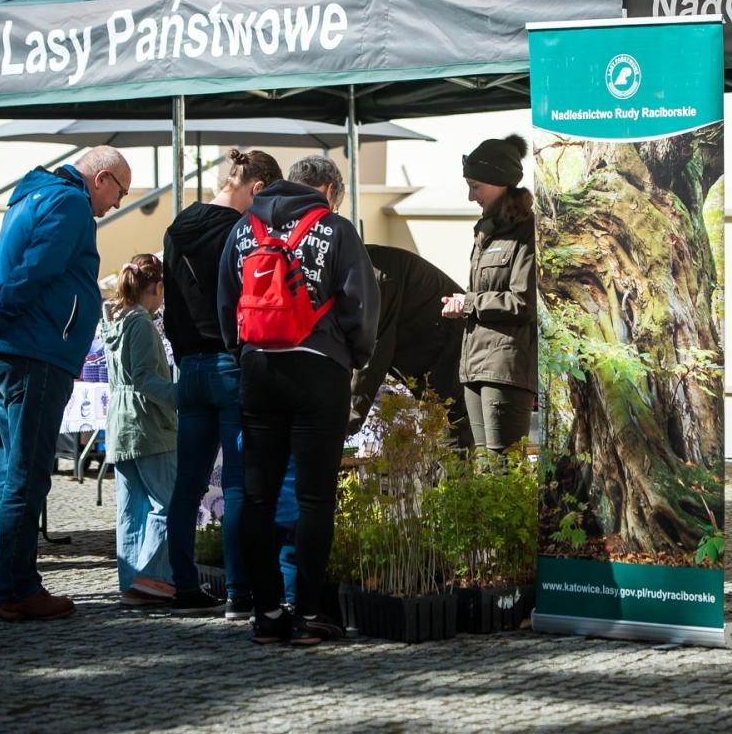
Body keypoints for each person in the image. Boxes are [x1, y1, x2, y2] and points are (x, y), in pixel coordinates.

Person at [217, 154, 378, 646]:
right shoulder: (335, 228)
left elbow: (226, 301)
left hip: (258, 368)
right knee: (314, 499)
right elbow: (361, 302)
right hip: (318, 367)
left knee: (258, 497)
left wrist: (242, 352)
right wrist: (354, 354)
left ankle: (266, 613)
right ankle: (309, 614)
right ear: (327, 189)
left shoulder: (243, 230)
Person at [0, 145, 130, 622]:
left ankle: (14, 584)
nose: (117, 203)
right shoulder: (71, 202)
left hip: (13, 350)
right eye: (119, 192)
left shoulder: (29, 196)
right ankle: (17, 590)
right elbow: (32, 270)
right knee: (27, 474)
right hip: (35, 352)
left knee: (13, 472)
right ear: (100, 178)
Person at [161, 147, 282, 620]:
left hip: (188, 367)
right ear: (255, 188)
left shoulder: (176, 227)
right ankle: (239, 592)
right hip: (231, 364)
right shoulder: (242, 231)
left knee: (186, 486)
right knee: (236, 484)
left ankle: (185, 587)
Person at [441, 135, 537, 453]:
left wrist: (469, 302)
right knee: (485, 469)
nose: (471, 196)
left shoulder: (527, 233)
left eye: (476, 186)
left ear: (500, 182)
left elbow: (523, 302)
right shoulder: (485, 230)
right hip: (474, 366)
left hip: (506, 369)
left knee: (503, 470)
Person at [100, 253, 178, 606]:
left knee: (131, 509)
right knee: (168, 503)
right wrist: (181, 396)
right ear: (156, 287)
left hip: (120, 422)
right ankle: (152, 579)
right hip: (148, 424)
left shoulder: (113, 319)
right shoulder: (142, 323)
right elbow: (146, 379)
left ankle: (131, 579)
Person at [350, 244, 471, 450]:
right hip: (435, 362)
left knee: (452, 445)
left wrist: (345, 424)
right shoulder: (360, 269)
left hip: (452, 360)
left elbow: (373, 355)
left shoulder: (375, 277)